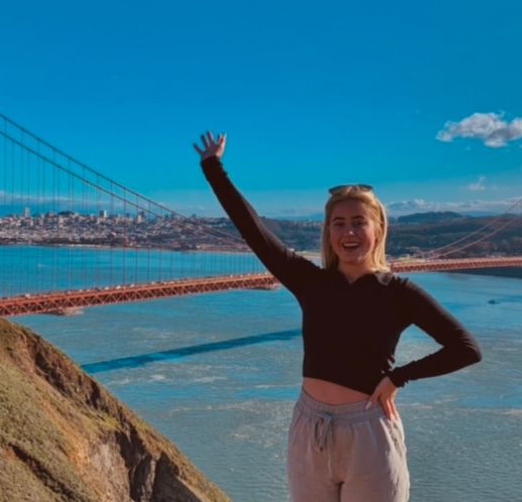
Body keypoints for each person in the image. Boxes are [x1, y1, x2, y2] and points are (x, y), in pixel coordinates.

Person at [194, 131, 481, 502]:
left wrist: (399, 377)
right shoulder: (310, 281)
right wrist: (213, 167)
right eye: (339, 223)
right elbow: (255, 232)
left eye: (359, 221)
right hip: (309, 428)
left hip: (369, 434)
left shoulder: (399, 293)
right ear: (328, 233)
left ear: (377, 230)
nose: (348, 231)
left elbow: (466, 348)